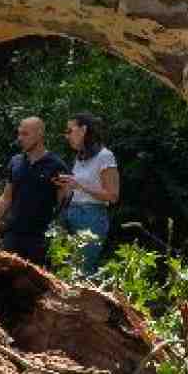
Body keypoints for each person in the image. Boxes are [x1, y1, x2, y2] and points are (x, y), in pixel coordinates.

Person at [0, 116, 70, 267]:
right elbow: (6, 197)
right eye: (19, 134)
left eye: (25, 134)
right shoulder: (16, 162)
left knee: (34, 287)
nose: (20, 138)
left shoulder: (56, 165)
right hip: (12, 234)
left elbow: (62, 204)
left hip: (39, 238)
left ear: (39, 135)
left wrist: (67, 191)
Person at [52, 113, 119, 275]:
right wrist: (63, 187)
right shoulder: (80, 157)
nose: (66, 135)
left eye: (69, 130)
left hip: (91, 217)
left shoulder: (105, 156)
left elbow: (112, 195)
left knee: (83, 271)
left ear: (83, 130)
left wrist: (79, 185)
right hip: (70, 213)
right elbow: (76, 190)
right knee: (65, 269)